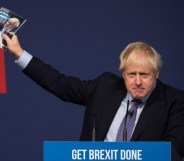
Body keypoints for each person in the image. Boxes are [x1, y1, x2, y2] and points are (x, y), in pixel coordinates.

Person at [2, 33, 184, 161]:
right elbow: (59, 83)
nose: (137, 81)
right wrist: (19, 53)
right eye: (131, 74)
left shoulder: (175, 102)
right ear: (122, 73)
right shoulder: (105, 87)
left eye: (144, 75)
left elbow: (172, 152)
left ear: (157, 73)